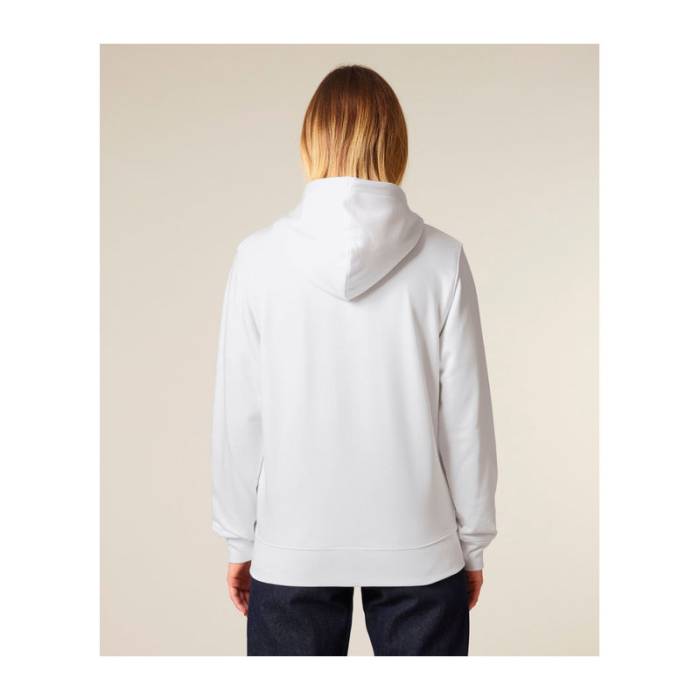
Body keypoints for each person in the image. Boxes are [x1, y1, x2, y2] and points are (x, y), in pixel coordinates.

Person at [211, 64, 498, 656]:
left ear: (310, 142)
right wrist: (471, 543)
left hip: (292, 546)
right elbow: (465, 420)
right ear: (396, 143)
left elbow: (240, 416)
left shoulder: (258, 258)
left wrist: (241, 540)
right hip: (420, 547)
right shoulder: (442, 259)